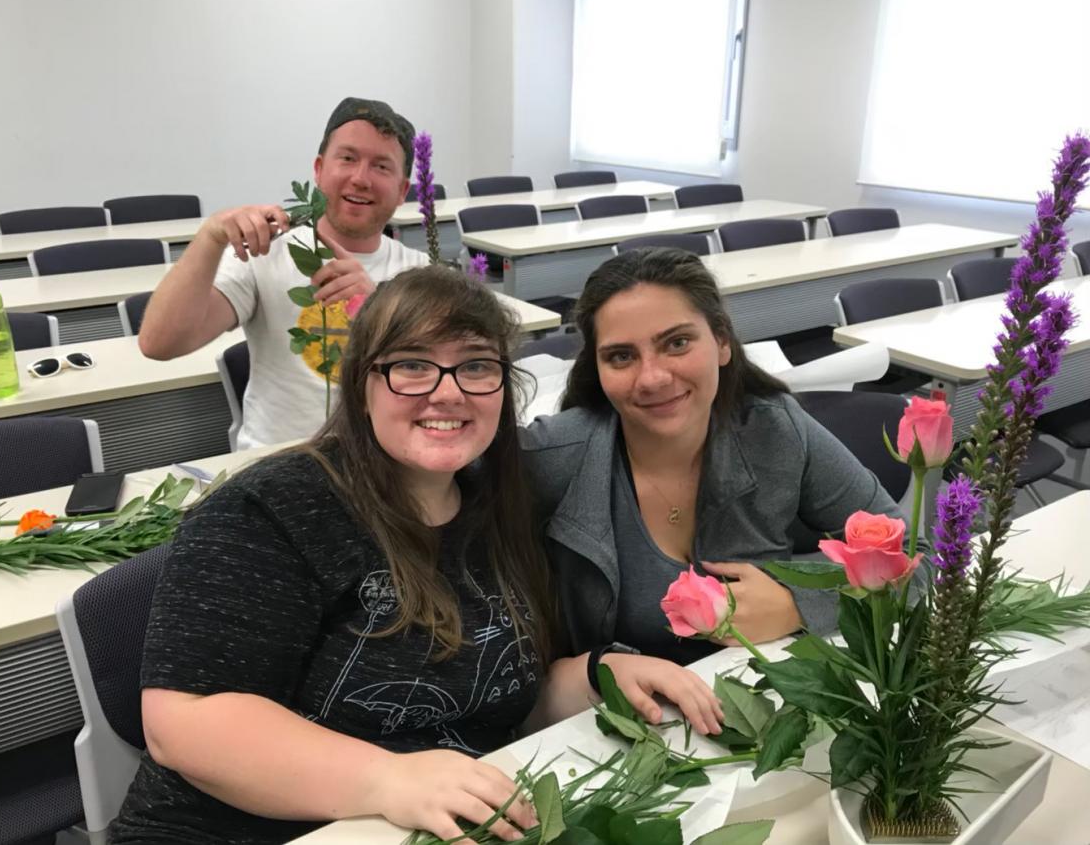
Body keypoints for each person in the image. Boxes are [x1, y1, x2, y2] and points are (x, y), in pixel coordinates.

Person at [110, 266, 723, 845]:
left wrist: (596, 674)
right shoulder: (273, 508)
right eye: (411, 366)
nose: (447, 393)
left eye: (476, 367)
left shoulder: (499, 505)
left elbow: (500, 693)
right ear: (362, 384)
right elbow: (184, 724)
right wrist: (388, 779)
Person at [522, 248, 906, 673]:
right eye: (621, 356)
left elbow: (912, 558)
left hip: (760, 697)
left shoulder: (775, 429)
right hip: (610, 724)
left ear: (722, 341)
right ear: (596, 367)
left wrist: (798, 607)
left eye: (677, 343)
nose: (653, 377)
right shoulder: (556, 454)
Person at [138, 96, 428, 448]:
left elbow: (431, 383)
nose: (360, 178)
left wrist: (377, 311)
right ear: (319, 169)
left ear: (401, 191)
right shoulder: (264, 255)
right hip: (275, 468)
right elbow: (160, 343)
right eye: (348, 158)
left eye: (381, 166)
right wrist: (210, 237)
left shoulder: (419, 274)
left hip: (382, 466)